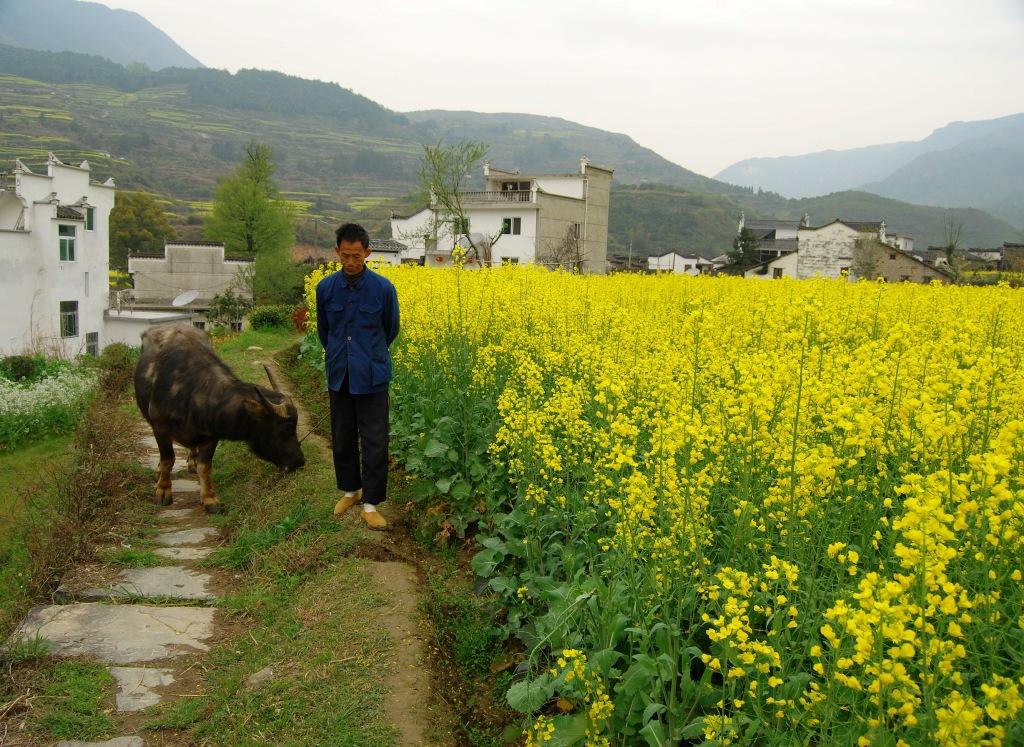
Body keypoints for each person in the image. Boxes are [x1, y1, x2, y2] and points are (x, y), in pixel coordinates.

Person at [316, 223, 400, 530]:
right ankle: (351, 491)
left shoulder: (383, 288)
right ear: (337, 252)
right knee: (342, 437)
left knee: (375, 440)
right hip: (340, 373)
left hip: (372, 375)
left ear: (367, 253)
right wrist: (342, 355)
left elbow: (391, 328)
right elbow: (325, 331)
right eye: (345, 255)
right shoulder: (325, 288)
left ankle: (371, 503)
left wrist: (369, 354)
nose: (350, 262)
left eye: (356, 256)